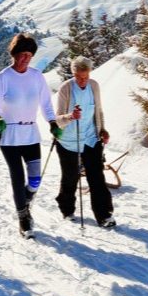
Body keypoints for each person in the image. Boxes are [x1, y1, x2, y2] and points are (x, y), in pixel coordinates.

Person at [0, 33, 62, 238]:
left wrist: (52, 123)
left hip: (30, 133)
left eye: (29, 55)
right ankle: (23, 218)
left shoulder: (37, 76)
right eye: (21, 54)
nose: (25, 59)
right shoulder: (4, 77)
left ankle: (25, 200)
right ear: (14, 54)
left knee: (35, 180)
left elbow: (46, 103)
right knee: (17, 177)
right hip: (10, 135)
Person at [54, 56, 116, 228]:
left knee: (96, 177)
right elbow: (57, 119)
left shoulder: (94, 86)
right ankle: (67, 209)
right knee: (70, 177)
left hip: (90, 138)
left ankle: (104, 215)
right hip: (68, 141)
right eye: (79, 77)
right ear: (73, 74)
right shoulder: (66, 88)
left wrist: (102, 130)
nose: (83, 80)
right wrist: (70, 116)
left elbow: (98, 111)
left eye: (86, 76)